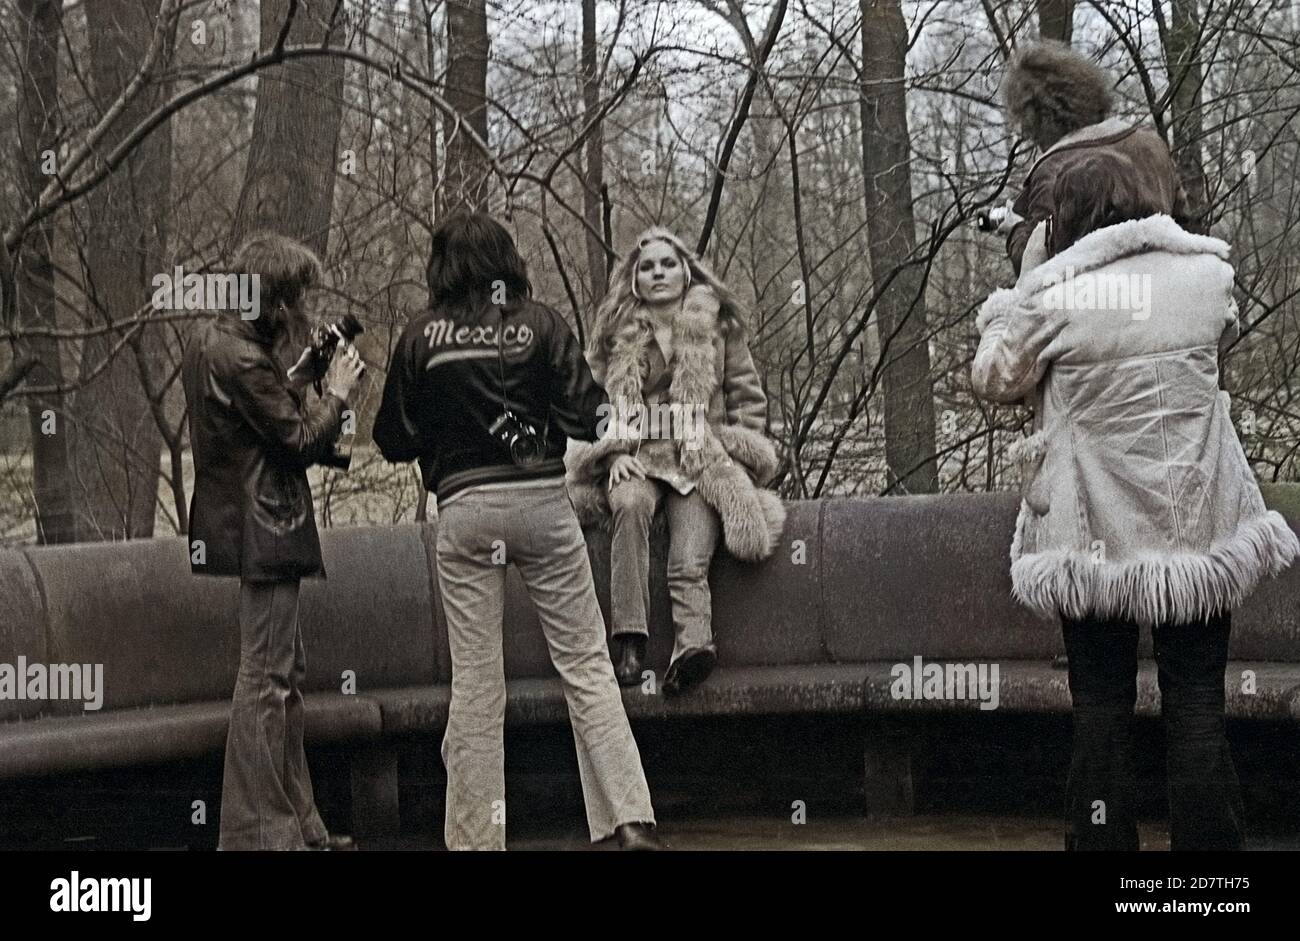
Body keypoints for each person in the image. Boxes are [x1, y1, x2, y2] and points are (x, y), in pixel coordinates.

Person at [971, 154, 1300, 851]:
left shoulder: (1055, 295)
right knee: (1197, 706)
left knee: (1099, 708)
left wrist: (1021, 283)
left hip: (1092, 535)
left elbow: (997, 376)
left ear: (1069, 219)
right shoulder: (1208, 278)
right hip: (1198, 527)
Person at [372, 212, 661, 851]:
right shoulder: (543, 324)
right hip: (542, 509)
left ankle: (478, 842)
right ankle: (631, 823)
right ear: (508, 261)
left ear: (443, 266)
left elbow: (390, 438)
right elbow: (590, 417)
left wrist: (441, 431)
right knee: (587, 666)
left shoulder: (422, 337)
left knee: (477, 685)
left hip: (466, 511)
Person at [182, 233, 366, 851]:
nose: (303, 310)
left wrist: (302, 375)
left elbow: (260, 423)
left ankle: (296, 824)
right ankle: (259, 832)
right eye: (297, 297)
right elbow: (296, 442)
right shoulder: (238, 356)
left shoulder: (222, 344)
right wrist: (336, 391)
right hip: (265, 528)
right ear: (277, 300)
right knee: (266, 681)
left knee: (281, 678)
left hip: (252, 526)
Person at [566, 228, 785, 694]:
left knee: (689, 552)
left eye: (667, 264)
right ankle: (628, 642)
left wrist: (738, 458)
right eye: (647, 267)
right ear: (635, 279)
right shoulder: (614, 333)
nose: (658, 273)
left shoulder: (717, 326)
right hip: (637, 456)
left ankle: (692, 649)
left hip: (697, 456)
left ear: (685, 271)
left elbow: (746, 396)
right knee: (627, 505)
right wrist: (610, 458)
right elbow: (589, 405)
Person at [1000, 39, 1190, 276]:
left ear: (1036, 116)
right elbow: (1187, 230)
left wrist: (1015, 228)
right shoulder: (1151, 144)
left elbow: (1038, 267)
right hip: (1163, 293)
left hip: (1097, 305)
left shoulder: (1053, 167)